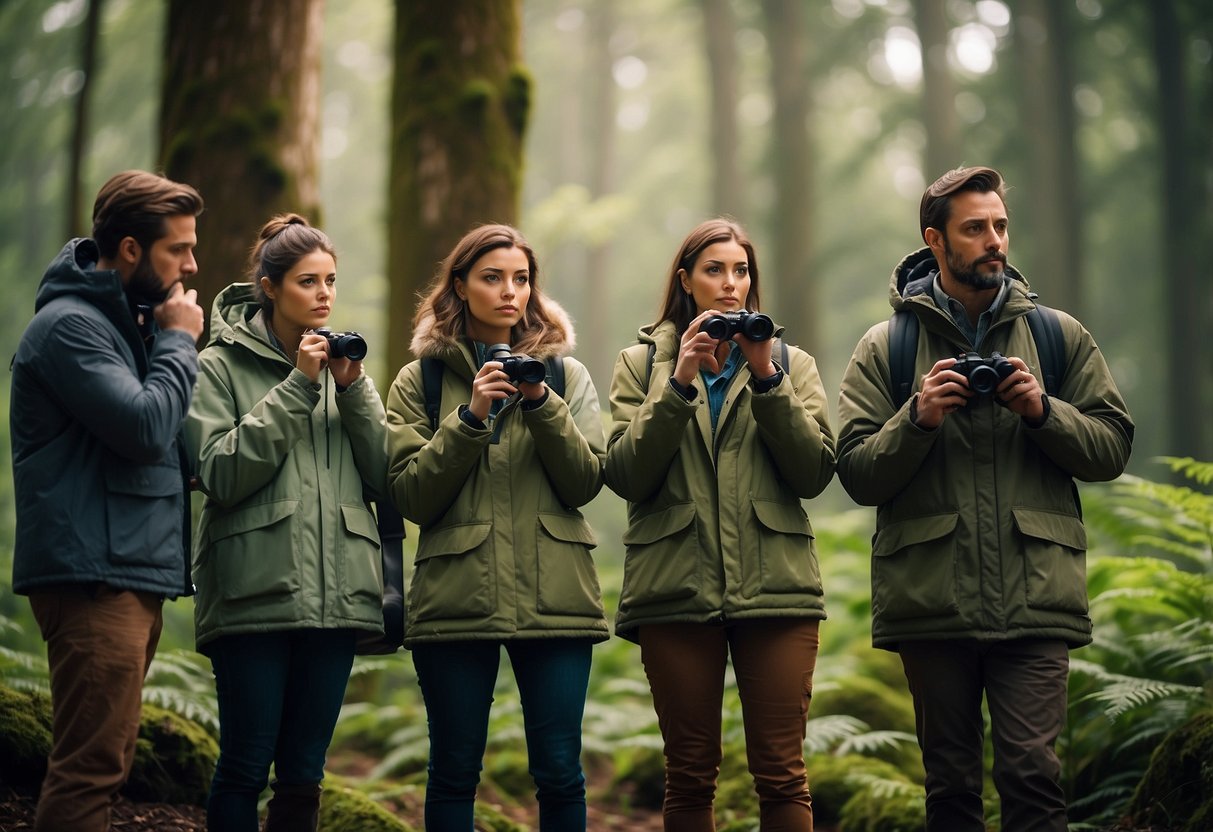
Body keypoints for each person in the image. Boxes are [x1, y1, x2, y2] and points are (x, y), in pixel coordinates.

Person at [835, 166, 1134, 831]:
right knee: (948, 785)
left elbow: (1111, 448)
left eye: (999, 225)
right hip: (931, 600)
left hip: (1034, 595)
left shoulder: (1057, 336)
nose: (993, 240)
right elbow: (854, 471)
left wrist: (1042, 410)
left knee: (1032, 774)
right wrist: (915, 420)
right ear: (934, 240)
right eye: (974, 229)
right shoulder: (888, 347)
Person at [604, 218, 836, 831]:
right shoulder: (639, 366)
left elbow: (814, 471)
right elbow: (626, 474)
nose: (731, 284)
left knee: (783, 772)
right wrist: (678, 381)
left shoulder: (790, 362)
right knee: (688, 772)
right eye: (714, 270)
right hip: (673, 584)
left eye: (741, 270)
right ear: (686, 281)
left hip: (777, 585)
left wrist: (767, 378)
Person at [385, 223, 607, 831]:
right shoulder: (421, 381)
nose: (510, 291)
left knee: (561, 770)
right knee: (454, 770)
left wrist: (540, 405)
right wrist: (471, 415)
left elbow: (587, 481)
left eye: (521, 279)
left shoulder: (565, 375)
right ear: (459, 286)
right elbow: (411, 494)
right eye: (492, 277)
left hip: (556, 593)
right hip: (457, 594)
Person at [9, 170, 205, 831]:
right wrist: (179, 339)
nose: (191, 264)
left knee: (107, 760)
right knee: (88, 772)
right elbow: (146, 427)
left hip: (125, 570)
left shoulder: (126, 327)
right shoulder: (70, 329)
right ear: (129, 249)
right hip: (92, 576)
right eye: (178, 249)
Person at [185, 214, 388, 831]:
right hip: (253, 593)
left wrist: (352, 393)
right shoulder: (217, 366)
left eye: (331, 280)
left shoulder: (345, 368)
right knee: (246, 765)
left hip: (337, 597)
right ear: (269, 287)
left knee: (304, 772)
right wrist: (300, 384)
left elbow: (386, 478)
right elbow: (220, 473)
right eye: (308, 282)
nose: (325, 294)